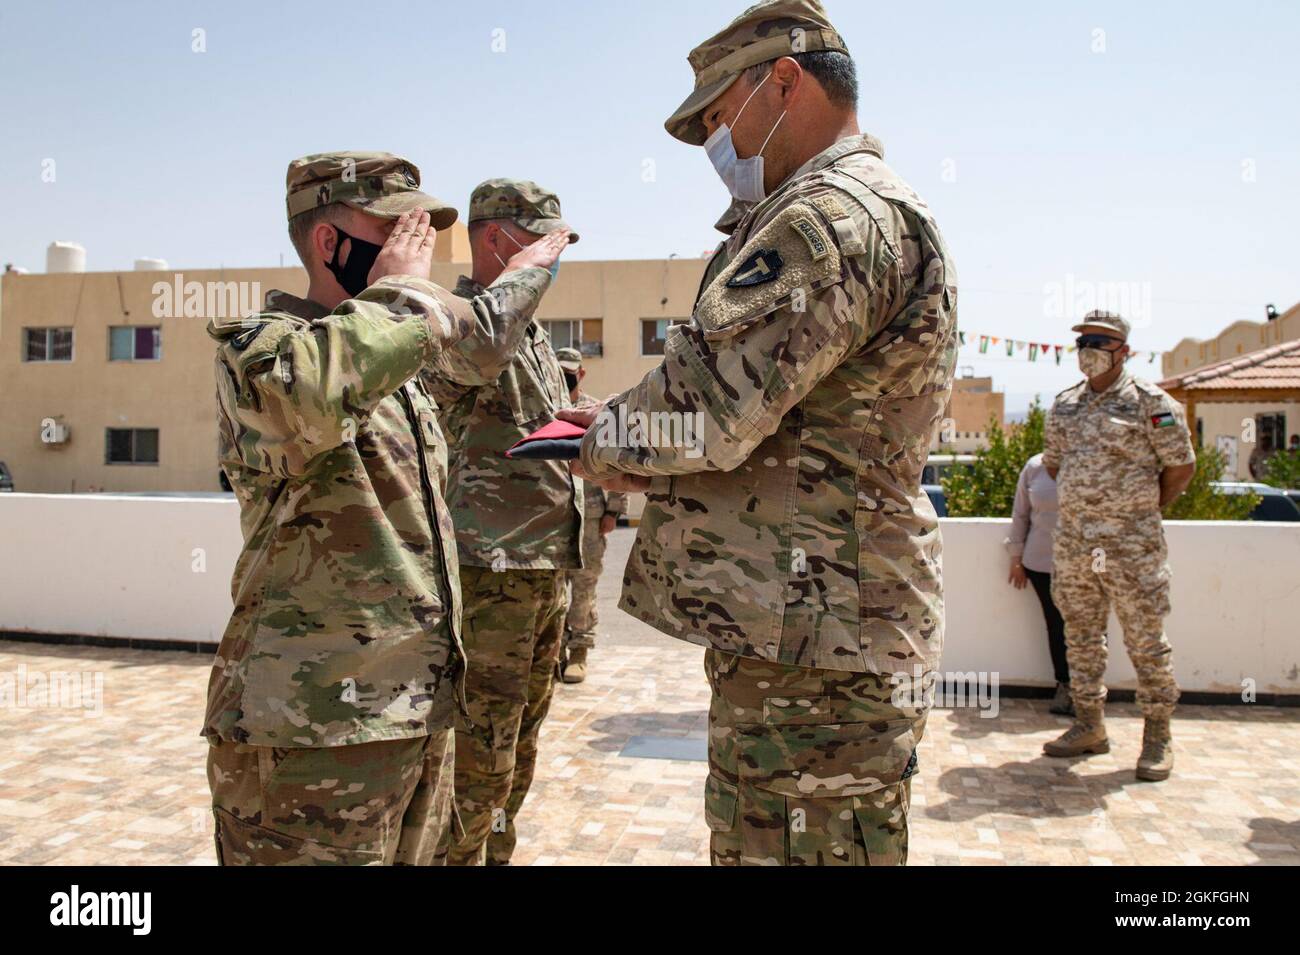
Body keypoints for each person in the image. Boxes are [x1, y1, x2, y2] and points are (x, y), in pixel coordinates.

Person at [562, 0, 957, 866]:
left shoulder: (828, 219)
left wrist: (600, 444)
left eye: (717, 115)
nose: (716, 143)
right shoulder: (841, 210)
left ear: (785, 80)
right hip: (806, 635)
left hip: (820, 646)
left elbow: (707, 407)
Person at [203, 152, 565, 865]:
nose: (419, 243)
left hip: (414, 717)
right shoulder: (262, 348)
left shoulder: (404, 359)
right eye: (397, 228)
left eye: (424, 227)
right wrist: (400, 293)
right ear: (329, 242)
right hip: (310, 735)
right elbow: (311, 392)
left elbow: (479, 344)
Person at [420, 179, 581, 866]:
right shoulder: (460, 317)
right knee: (477, 758)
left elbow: (518, 426)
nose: (554, 261)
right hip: (491, 573)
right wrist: (526, 278)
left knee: (516, 752)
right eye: (543, 244)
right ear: (495, 240)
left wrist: (579, 423)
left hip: (543, 568)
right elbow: (478, 358)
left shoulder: (532, 331)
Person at [1042, 310, 1196, 781]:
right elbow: (1054, 466)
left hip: (1133, 547)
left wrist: (1138, 510)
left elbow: (1180, 467)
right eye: (1082, 341)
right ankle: (1089, 726)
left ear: (1123, 351)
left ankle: (1157, 735)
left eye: (1098, 342)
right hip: (1075, 546)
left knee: (1146, 641)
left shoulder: (1151, 403)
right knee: (1082, 639)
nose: (1087, 349)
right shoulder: (1065, 404)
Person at [554, 347, 627, 684]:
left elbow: (618, 463)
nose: (565, 378)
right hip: (553, 518)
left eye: (570, 373)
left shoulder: (595, 412)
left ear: (581, 374)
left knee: (583, 588)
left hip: (591, 516)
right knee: (553, 590)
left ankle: (579, 652)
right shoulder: (547, 411)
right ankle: (553, 651)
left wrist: (613, 512)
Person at [1005, 452, 1071, 715]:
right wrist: (1016, 557)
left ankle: (1090, 694)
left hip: (1086, 565)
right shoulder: (1034, 467)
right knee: (1056, 626)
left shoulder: (1092, 459)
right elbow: (1020, 514)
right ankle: (1065, 687)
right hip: (1041, 564)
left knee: (1090, 628)